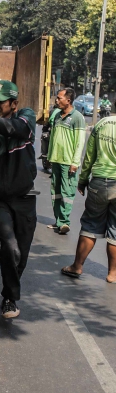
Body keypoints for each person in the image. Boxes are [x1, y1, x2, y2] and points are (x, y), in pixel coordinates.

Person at [0, 80, 37, 319]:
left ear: (14, 104)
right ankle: (11, 299)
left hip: (25, 197)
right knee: (10, 248)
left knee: (20, 253)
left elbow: (19, 129)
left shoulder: (26, 116)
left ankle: (8, 294)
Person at [62, 113, 116, 283]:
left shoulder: (101, 124)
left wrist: (83, 180)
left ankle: (77, 266)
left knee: (91, 225)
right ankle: (113, 274)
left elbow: (89, 157)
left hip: (100, 183)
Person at [47, 87, 86, 235]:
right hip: (56, 160)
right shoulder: (57, 115)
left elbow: (80, 142)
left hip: (68, 162)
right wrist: (50, 157)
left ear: (68, 101)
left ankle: (64, 222)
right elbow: (53, 138)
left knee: (67, 192)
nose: (56, 100)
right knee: (55, 191)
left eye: (59, 98)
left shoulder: (77, 118)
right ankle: (58, 221)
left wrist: (75, 162)